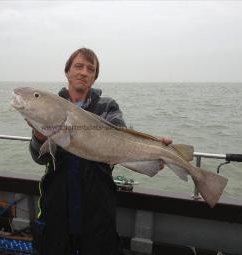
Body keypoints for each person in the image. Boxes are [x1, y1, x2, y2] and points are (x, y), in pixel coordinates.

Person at [28, 48, 172, 255]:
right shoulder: (51, 106)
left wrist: (154, 147)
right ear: (67, 72)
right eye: (78, 66)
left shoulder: (107, 106)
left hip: (98, 203)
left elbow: (121, 140)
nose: (84, 72)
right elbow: (38, 158)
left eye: (90, 69)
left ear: (94, 78)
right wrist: (39, 137)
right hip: (56, 202)